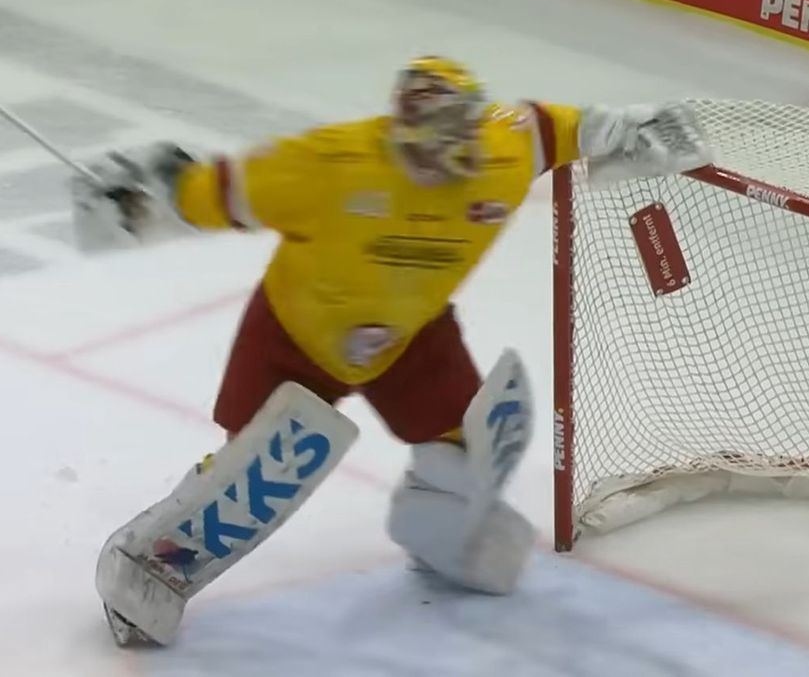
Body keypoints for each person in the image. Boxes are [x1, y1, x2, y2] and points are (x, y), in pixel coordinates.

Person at [70, 56, 713, 645]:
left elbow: (556, 127)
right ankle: (146, 570)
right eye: (438, 142)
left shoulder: (502, 150)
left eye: (463, 135)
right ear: (402, 134)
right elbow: (225, 192)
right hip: (297, 336)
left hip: (411, 336)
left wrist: (627, 130)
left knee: (475, 444)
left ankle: (444, 530)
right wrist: (149, 196)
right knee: (258, 469)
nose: (455, 154)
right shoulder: (335, 164)